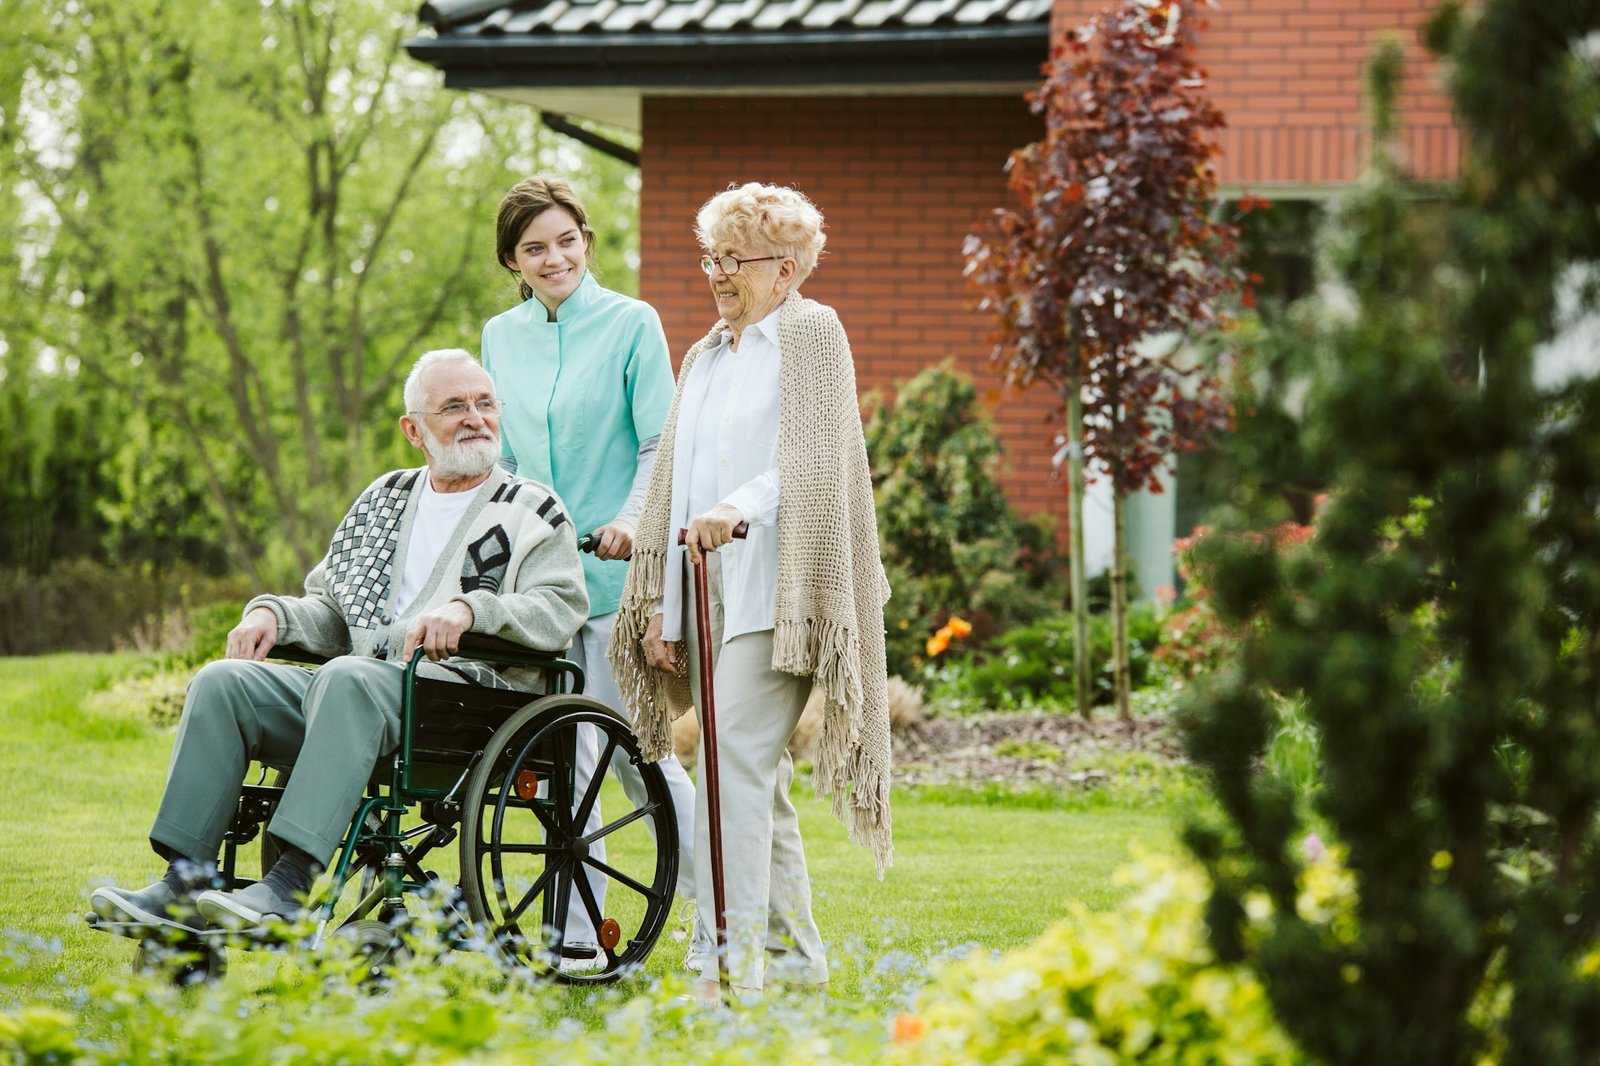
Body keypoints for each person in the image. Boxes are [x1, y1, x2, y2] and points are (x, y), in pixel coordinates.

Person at [90, 349, 588, 931]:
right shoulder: (384, 499)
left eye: (485, 403)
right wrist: (274, 617)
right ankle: (185, 882)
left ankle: (292, 883)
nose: (475, 418)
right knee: (223, 683)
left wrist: (472, 609)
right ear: (414, 430)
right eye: (453, 406)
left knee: (347, 677)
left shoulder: (532, 509)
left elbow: (561, 607)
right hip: (353, 695)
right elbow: (332, 606)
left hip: (464, 703)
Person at [609, 182, 893, 1000]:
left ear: (789, 268)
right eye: (713, 257)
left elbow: (813, 456)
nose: (719, 273)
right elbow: (675, 479)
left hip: (782, 591)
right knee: (753, 782)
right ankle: (799, 966)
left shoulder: (811, 334)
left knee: (731, 763)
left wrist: (740, 507)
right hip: (705, 594)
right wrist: (661, 601)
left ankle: (726, 966)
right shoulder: (704, 355)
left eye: (737, 259)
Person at [480, 175, 704, 972]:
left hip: (616, 579)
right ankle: (578, 934)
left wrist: (634, 524)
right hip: (543, 588)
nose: (554, 258)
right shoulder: (499, 337)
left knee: (642, 753)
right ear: (513, 259)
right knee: (561, 756)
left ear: (586, 241)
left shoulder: (631, 323)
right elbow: (503, 460)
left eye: (566, 241)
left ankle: (723, 912)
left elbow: (659, 446)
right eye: (535, 248)